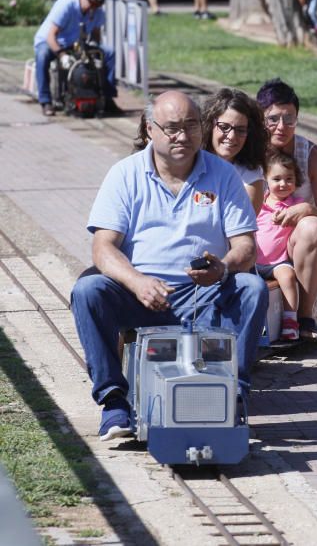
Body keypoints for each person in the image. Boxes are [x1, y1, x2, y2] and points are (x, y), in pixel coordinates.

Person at [71, 90, 268, 441]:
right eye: (172, 128)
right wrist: (137, 282)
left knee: (252, 288)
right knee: (88, 289)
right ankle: (114, 403)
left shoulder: (222, 175)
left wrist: (221, 268)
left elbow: (246, 248)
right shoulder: (125, 174)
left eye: (191, 126)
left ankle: (233, 396)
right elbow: (102, 248)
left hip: (204, 294)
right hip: (142, 295)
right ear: (151, 130)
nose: (183, 136)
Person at [256, 79, 317, 341]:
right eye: (273, 119)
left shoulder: (311, 155)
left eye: (289, 119)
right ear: (260, 119)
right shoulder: (250, 152)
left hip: (291, 247)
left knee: (313, 225)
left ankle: (304, 317)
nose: (282, 127)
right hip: (256, 241)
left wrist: (307, 208)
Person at [33, 0, 118, 117]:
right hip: (52, 41)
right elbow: (51, 36)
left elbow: (96, 34)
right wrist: (61, 55)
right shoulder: (66, 5)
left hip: (75, 43)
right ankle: (45, 101)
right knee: (42, 56)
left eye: (96, 5)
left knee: (109, 53)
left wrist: (94, 49)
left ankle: (107, 97)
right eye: (91, 3)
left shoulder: (97, 11)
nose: (92, 8)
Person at [256, 151, 305, 341]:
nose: (283, 184)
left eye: (289, 179)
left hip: (278, 262)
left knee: (288, 277)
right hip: (254, 260)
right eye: (277, 179)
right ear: (266, 180)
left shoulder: (296, 205)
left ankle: (290, 320)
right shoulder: (259, 202)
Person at [200, 88, 268, 215]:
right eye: (224, 127)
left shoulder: (251, 177)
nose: (231, 136)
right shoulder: (190, 161)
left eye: (240, 130)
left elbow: (242, 227)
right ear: (210, 125)